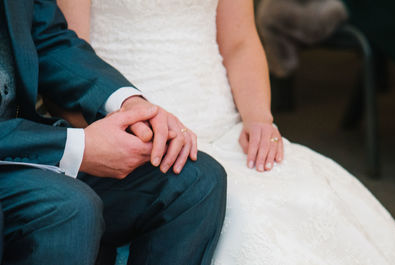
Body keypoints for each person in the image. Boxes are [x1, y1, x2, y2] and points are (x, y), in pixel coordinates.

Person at [58, 0, 395, 264]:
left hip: (224, 121)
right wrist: (115, 133)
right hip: (135, 128)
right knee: (248, 214)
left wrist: (259, 119)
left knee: (313, 200)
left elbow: (239, 42)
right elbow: (67, 60)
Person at [0, 0, 227, 265]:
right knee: (70, 207)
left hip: (27, 142)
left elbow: (49, 41)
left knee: (196, 179)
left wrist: (130, 105)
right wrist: (77, 147)